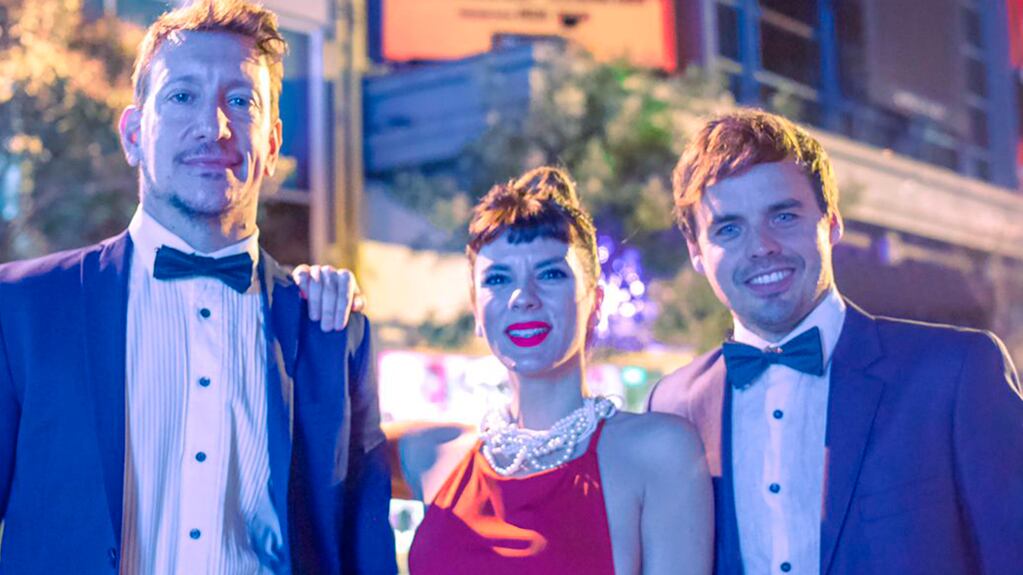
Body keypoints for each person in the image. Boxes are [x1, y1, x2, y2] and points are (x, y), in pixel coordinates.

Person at [0, 2, 395, 573]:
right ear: (134, 134)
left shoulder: (331, 330)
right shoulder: (22, 311)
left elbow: (364, 550)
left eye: (241, 101)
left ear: (272, 144)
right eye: (182, 96)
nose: (214, 127)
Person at [647, 108, 1023, 574]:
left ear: (831, 223)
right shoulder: (672, 406)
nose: (761, 246)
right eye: (729, 229)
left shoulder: (955, 374)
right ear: (696, 252)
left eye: (783, 216)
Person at [393, 166, 713, 575]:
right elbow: (320, 455)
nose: (522, 297)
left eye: (550, 274)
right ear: (476, 311)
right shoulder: (430, 454)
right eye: (498, 278)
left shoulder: (657, 450)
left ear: (595, 302)